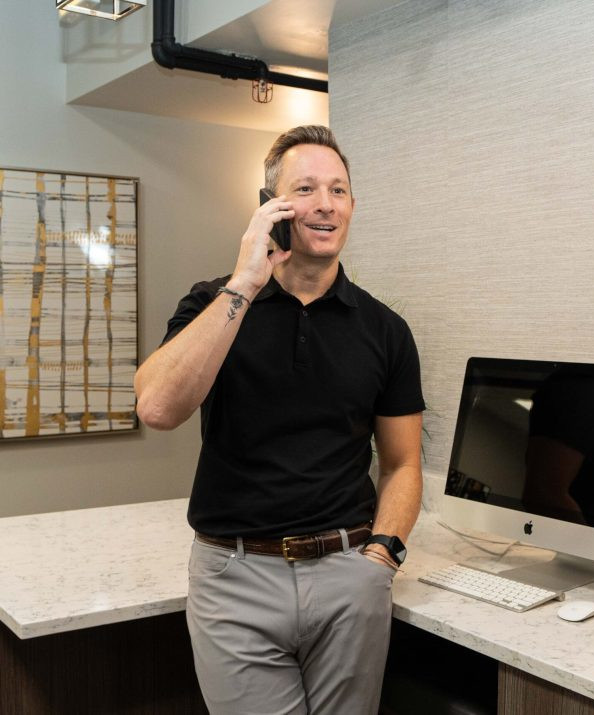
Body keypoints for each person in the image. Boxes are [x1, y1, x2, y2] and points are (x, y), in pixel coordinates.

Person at [134, 125, 425, 715]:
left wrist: (383, 556)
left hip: (350, 574)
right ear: (272, 206)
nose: (325, 203)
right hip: (235, 576)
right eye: (307, 188)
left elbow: (402, 462)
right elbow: (158, 408)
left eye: (339, 190)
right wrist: (246, 281)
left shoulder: (386, 330)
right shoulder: (211, 302)